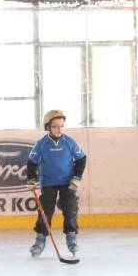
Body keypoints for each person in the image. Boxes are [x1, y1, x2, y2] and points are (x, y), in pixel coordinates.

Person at [26, 109, 86, 257]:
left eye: (61, 126)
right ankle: (40, 240)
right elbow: (31, 161)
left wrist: (77, 177)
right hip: (48, 182)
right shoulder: (42, 143)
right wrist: (32, 178)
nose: (59, 129)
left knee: (71, 207)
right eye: (55, 126)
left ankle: (71, 237)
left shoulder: (69, 141)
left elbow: (81, 159)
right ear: (48, 127)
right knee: (45, 211)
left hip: (67, 182)